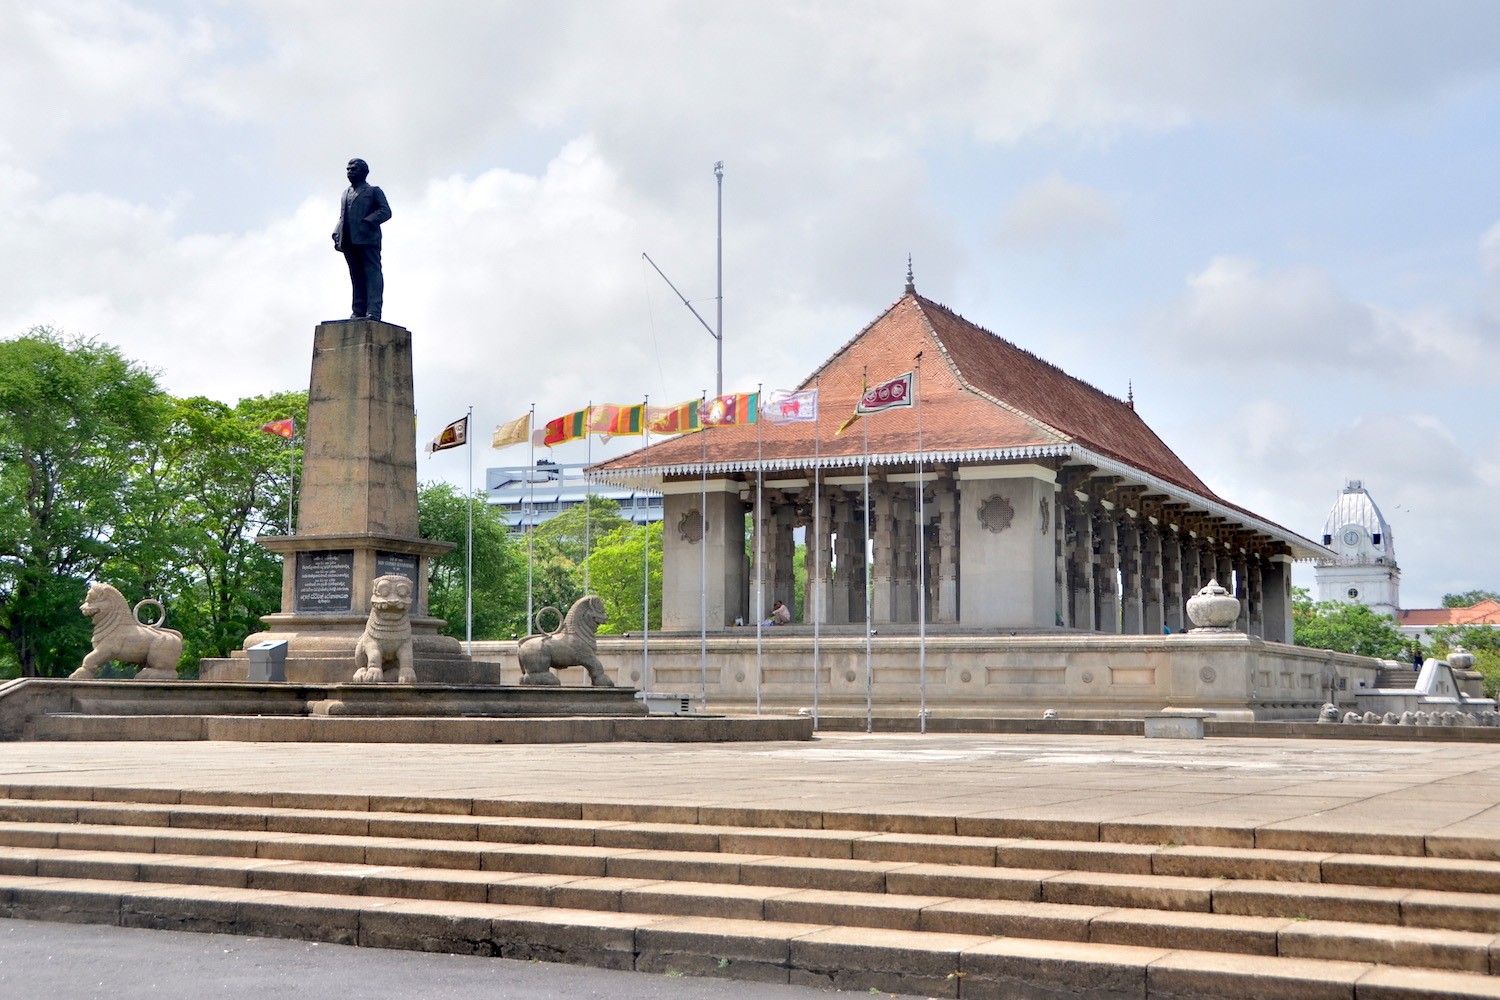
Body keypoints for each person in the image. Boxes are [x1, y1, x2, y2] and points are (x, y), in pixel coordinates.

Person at [333, 158, 392, 321]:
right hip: (349, 240)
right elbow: (343, 215)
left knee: (372, 274)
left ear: (364, 172)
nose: (350, 172)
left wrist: (368, 221)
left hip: (367, 238)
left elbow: (385, 211)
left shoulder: (374, 191)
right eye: (348, 169)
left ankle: (373, 310)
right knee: (356, 275)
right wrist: (337, 230)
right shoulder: (345, 193)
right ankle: (358, 309)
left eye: (354, 169)